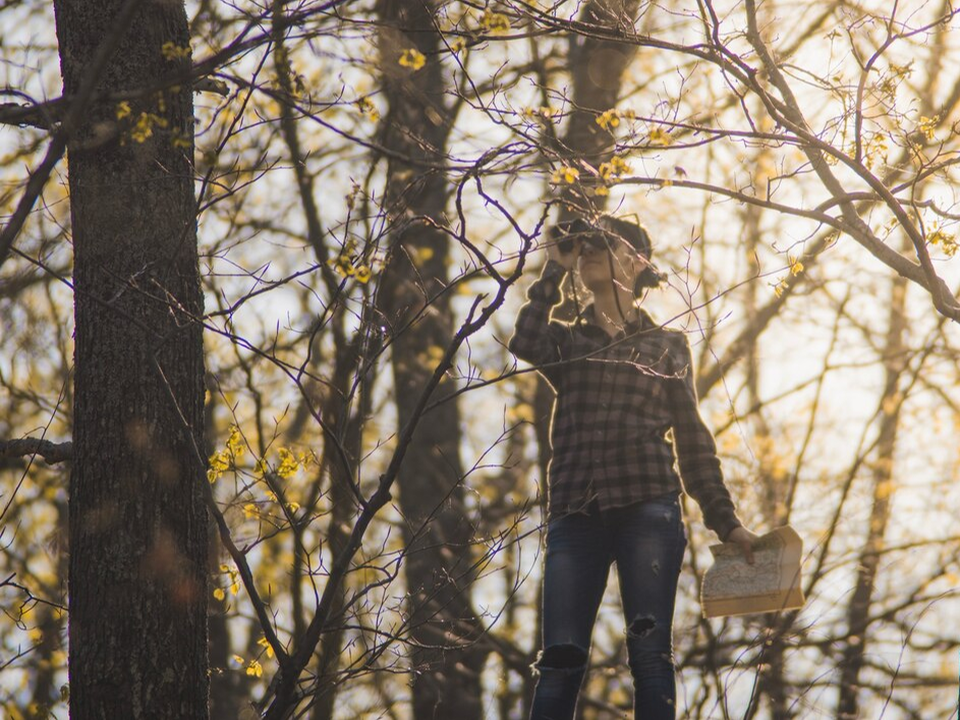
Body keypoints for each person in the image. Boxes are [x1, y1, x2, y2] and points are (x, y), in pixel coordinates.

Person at [509, 214, 758, 720]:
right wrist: (554, 268)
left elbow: (692, 440)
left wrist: (725, 521)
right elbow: (526, 341)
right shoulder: (567, 342)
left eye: (606, 242)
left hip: (649, 506)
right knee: (559, 660)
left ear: (638, 262)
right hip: (575, 514)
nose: (591, 251)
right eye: (586, 245)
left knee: (649, 653)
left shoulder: (667, 346)